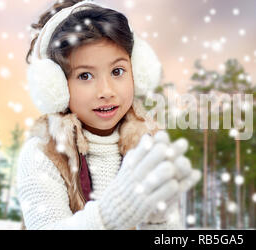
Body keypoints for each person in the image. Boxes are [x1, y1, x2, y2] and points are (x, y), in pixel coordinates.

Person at [17, 0, 201, 230]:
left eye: (117, 71)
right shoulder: (43, 153)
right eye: (85, 76)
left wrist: (157, 221)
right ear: (56, 86)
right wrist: (110, 215)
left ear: (137, 71)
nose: (106, 91)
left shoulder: (147, 147)